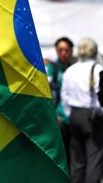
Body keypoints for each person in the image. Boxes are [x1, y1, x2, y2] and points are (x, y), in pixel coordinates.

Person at [61, 38, 103, 183]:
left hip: (74, 115)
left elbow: (64, 95)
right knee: (94, 158)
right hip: (92, 116)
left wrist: (69, 114)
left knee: (77, 160)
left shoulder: (70, 70)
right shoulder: (97, 69)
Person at [46, 36, 74, 164]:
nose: (63, 53)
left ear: (71, 51)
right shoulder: (52, 68)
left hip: (72, 118)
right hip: (58, 117)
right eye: (60, 50)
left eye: (66, 50)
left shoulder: (74, 69)